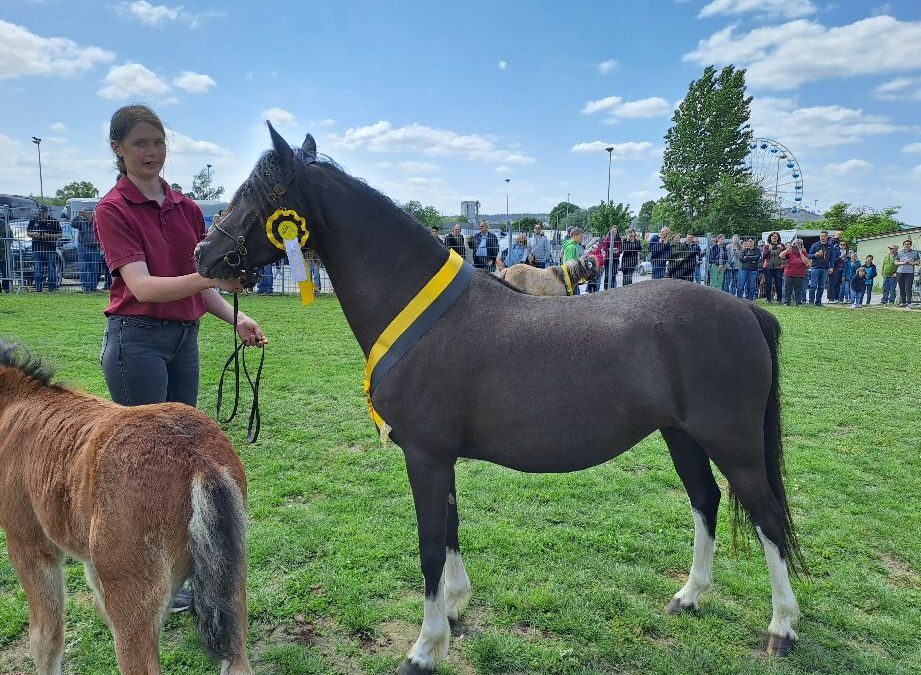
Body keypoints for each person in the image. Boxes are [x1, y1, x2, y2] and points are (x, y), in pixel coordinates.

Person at [94, 105, 269, 611]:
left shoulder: (187, 208)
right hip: (136, 343)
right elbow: (144, 287)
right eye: (140, 143)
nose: (152, 152)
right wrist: (211, 279)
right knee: (145, 470)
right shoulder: (113, 209)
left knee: (180, 464)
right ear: (118, 149)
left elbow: (198, 286)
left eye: (158, 142)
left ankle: (175, 576)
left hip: (182, 343)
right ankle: (139, 578)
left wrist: (236, 317)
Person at [72, 209, 111, 292]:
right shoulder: (80, 221)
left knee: (95, 268)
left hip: (95, 247)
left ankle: (93, 287)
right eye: (84, 213)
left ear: (91, 213)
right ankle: (85, 287)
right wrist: (78, 215)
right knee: (84, 267)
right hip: (83, 247)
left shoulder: (97, 221)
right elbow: (73, 224)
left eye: (86, 212)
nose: (84, 214)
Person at [27, 205, 62, 292]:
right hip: (37, 249)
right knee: (37, 269)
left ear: (47, 212)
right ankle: (38, 289)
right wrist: (33, 234)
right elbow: (28, 232)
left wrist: (49, 235)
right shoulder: (33, 220)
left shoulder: (54, 221)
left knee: (51, 269)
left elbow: (60, 234)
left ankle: (52, 289)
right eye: (40, 213)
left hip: (50, 249)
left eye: (43, 213)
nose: (41, 215)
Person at [779, 238, 809, 306]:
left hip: (799, 274)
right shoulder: (790, 252)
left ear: (801, 245)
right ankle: (786, 302)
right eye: (795, 244)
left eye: (799, 244)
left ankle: (798, 302)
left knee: (798, 290)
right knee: (787, 289)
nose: (797, 245)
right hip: (788, 274)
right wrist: (788, 249)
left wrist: (801, 253)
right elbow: (781, 255)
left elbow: (806, 262)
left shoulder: (804, 252)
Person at [808, 230, 831, 306]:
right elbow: (809, 255)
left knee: (821, 286)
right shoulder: (815, 245)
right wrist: (815, 255)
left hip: (825, 268)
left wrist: (831, 267)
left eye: (824, 236)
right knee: (813, 286)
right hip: (815, 268)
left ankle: (818, 302)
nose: (822, 238)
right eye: (821, 236)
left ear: (827, 237)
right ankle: (811, 302)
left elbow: (832, 257)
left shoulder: (830, 246)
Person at [762, 232, 785, 303]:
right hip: (768, 267)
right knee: (768, 283)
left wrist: (782, 249)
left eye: (776, 236)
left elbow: (785, 256)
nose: (774, 237)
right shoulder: (766, 246)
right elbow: (764, 256)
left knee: (778, 283)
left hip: (778, 267)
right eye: (773, 236)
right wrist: (769, 250)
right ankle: (768, 299)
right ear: (770, 238)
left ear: (778, 238)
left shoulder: (781, 245)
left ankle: (779, 299)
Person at [895, 238, 919, 306]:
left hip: (909, 273)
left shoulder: (915, 253)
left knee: (908, 288)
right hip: (900, 272)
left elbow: (918, 262)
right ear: (903, 245)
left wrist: (910, 263)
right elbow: (896, 262)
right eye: (905, 244)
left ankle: (909, 303)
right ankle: (903, 302)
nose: (907, 245)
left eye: (908, 244)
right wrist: (903, 263)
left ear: (910, 245)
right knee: (901, 288)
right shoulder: (899, 253)